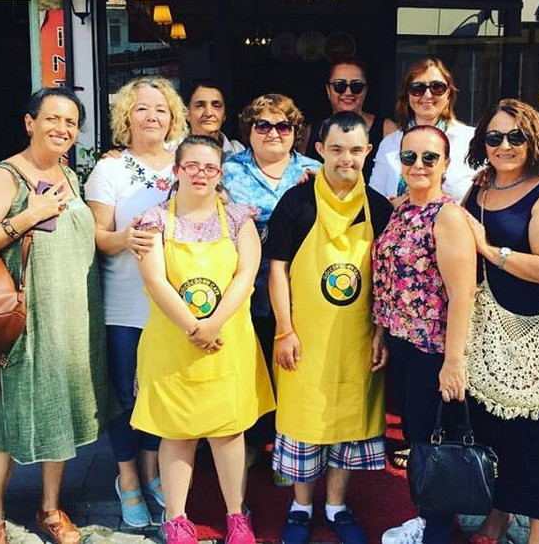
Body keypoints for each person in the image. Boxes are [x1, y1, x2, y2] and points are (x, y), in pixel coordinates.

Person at [0, 86, 109, 544]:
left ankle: (50, 509)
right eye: (52, 118)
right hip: (23, 317)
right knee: (4, 416)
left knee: (57, 410)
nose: (62, 129)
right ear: (30, 123)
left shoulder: (69, 174)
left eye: (71, 122)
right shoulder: (5, 176)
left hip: (70, 317)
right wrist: (29, 215)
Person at [131, 135, 275, 544]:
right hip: (173, 342)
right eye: (191, 166)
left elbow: (246, 275)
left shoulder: (239, 219)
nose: (200, 174)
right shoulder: (153, 221)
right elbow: (155, 281)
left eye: (209, 167)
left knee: (228, 432)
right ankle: (176, 518)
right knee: (177, 432)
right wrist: (194, 327)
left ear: (219, 174)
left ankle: (237, 516)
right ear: (177, 171)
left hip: (227, 340)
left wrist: (214, 324)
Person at [266, 111, 394, 544]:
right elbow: (278, 270)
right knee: (304, 422)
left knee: (348, 426)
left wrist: (380, 332)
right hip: (304, 337)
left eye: (355, 150)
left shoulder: (378, 207)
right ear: (319, 150)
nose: (346, 159)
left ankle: (337, 506)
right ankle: (301, 506)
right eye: (336, 149)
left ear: (368, 151)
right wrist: (284, 330)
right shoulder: (296, 203)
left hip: (357, 338)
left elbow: (386, 278)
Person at [461, 99, 539, 544]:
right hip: (481, 329)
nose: (504, 145)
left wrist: (490, 251)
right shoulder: (479, 188)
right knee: (491, 430)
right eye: (494, 137)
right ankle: (499, 512)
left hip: (527, 330)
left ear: (533, 141)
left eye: (515, 136)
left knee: (534, 436)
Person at [84, 75, 188, 528]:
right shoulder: (110, 170)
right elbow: (97, 237)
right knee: (126, 396)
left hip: (177, 306)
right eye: (142, 108)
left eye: (161, 109)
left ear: (173, 117)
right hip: (125, 304)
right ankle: (127, 479)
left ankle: (152, 472)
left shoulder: (185, 161)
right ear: (126, 115)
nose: (152, 116)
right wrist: (124, 238)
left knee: (162, 394)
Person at [372, 125, 477, 544]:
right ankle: (427, 520)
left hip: (433, 348)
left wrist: (453, 361)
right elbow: (389, 280)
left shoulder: (447, 216)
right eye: (410, 156)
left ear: (445, 164)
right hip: (402, 343)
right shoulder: (400, 210)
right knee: (418, 437)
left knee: (434, 442)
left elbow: (462, 293)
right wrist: (381, 332)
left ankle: (436, 530)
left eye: (429, 157)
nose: (418, 165)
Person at [222, 94, 321, 481]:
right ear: (249, 130)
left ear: (296, 131)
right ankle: (251, 442)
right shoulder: (228, 171)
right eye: (262, 125)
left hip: (302, 292)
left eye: (283, 126)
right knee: (250, 367)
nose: (273, 133)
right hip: (243, 289)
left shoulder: (316, 170)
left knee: (293, 370)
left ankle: (287, 447)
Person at [369, 57, 475, 204]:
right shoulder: (390, 144)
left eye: (437, 87)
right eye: (418, 88)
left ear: (449, 94)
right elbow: (375, 198)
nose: (428, 95)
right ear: (407, 95)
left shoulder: (470, 139)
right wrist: (395, 204)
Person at [300, 59, 396, 179]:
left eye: (357, 86)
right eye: (339, 85)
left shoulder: (387, 129)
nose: (348, 92)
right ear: (328, 90)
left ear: (365, 90)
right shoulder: (310, 131)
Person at [186, 78, 245, 159]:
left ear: (224, 114)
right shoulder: (172, 150)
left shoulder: (238, 152)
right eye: (200, 106)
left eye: (216, 106)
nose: (209, 113)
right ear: (186, 113)